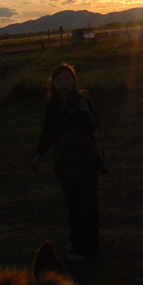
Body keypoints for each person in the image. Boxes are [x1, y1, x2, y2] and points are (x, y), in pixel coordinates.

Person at [33, 63, 101, 262]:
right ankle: (78, 242)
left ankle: (89, 248)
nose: (64, 83)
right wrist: (39, 155)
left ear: (74, 81)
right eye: (59, 79)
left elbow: (92, 126)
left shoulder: (82, 100)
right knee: (72, 204)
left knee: (86, 204)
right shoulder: (51, 104)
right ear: (53, 82)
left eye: (67, 79)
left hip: (85, 160)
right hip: (63, 162)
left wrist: (84, 105)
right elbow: (47, 132)